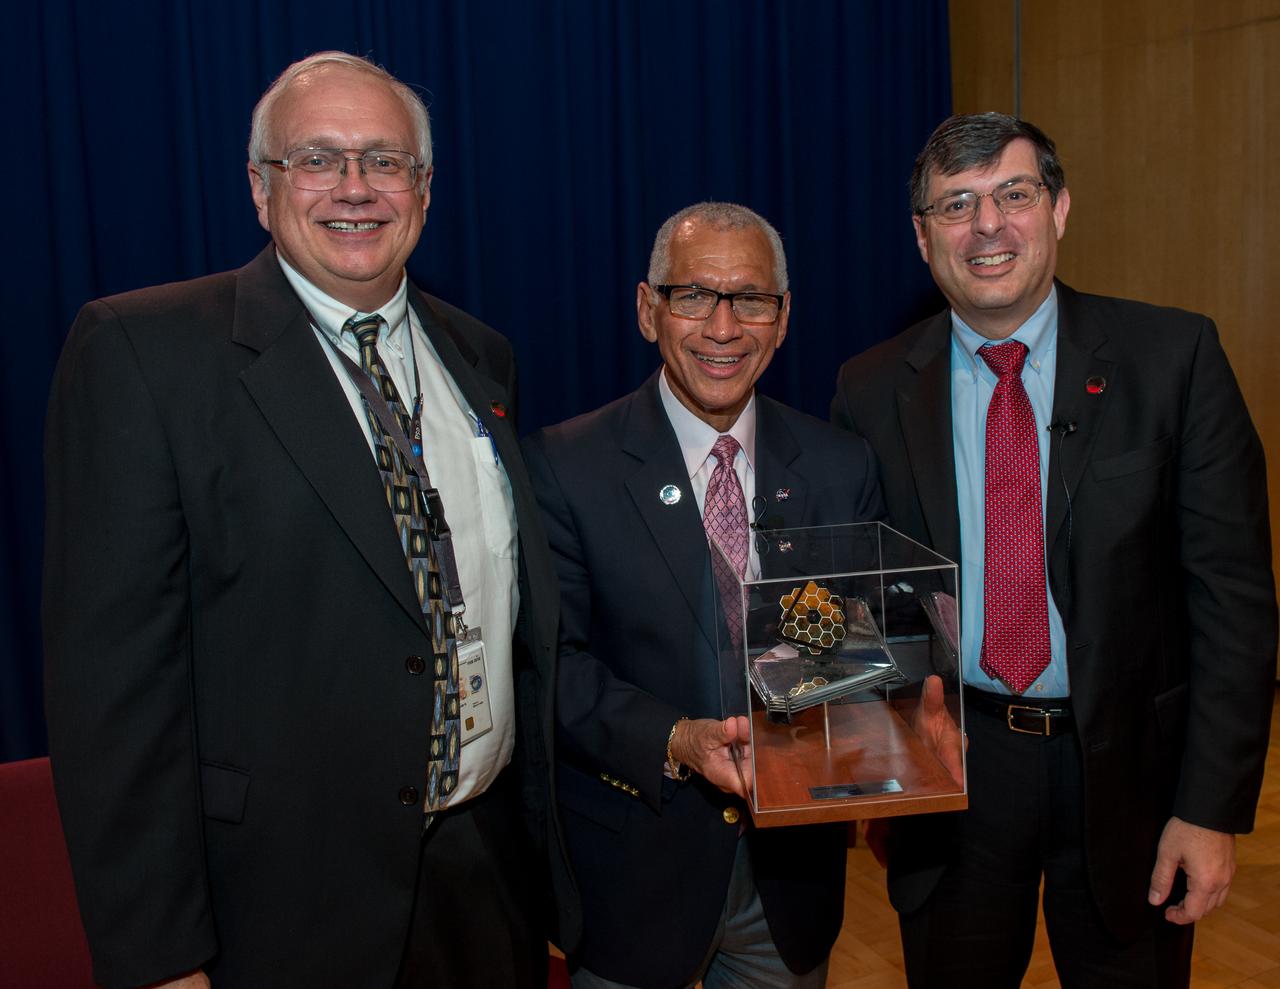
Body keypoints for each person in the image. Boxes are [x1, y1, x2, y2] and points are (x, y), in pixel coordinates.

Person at [43, 51, 577, 989]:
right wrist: (160, 960)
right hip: (279, 910)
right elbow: (113, 698)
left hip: (485, 877)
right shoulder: (144, 354)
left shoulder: (480, 357)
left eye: (385, 160)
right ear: (260, 187)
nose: (356, 187)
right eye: (318, 159)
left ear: (424, 187)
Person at [832, 111, 1277, 987]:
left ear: (1061, 209)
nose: (988, 225)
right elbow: (864, 599)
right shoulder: (871, 386)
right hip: (959, 770)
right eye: (956, 205)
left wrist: (1209, 809)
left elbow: (1234, 601)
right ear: (923, 240)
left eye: (1014, 194)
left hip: (1130, 778)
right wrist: (876, 761)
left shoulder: (1173, 358)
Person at [522, 202, 885, 988]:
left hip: (788, 887)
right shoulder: (564, 466)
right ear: (647, 308)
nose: (723, 326)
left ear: (783, 319)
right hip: (633, 878)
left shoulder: (838, 465)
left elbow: (849, 650)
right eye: (694, 295)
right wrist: (676, 737)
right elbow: (557, 667)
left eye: (750, 298)